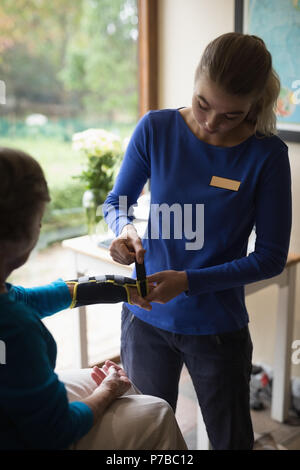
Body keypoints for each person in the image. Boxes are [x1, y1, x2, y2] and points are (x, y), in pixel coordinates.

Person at [103, 32, 292, 450]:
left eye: (231, 116)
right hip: (145, 315)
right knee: (147, 438)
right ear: (195, 81)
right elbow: (117, 202)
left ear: (255, 105)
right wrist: (123, 230)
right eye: (203, 104)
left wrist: (189, 281)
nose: (210, 123)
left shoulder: (267, 156)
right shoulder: (157, 127)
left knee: (229, 440)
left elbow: (270, 258)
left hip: (217, 327)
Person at [0, 147, 187, 450]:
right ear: (22, 235)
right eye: (39, 218)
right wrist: (108, 389)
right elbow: (56, 431)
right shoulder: (18, 332)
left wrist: (123, 288)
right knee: (157, 412)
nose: (41, 226)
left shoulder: (8, 307)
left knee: (103, 383)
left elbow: (30, 299)